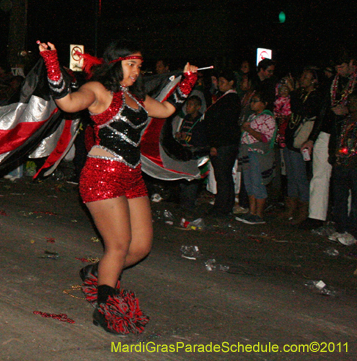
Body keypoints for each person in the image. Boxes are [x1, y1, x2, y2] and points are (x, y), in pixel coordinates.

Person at [38, 40, 197, 335]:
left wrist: (187, 83)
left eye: (139, 66)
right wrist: (51, 63)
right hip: (102, 174)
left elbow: (164, 110)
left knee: (140, 247)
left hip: (133, 177)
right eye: (131, 65)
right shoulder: (99, 90)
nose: (137, 71)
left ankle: (97, 273)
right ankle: (105, 310)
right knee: (119, 246)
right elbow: (67, 103)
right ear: (116, 63)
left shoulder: (134, 97)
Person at [301, 51, 356, 229]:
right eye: (337, 68)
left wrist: (348, 110)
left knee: (346, 178)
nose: (339, 71)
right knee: (319, 174)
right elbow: (323, 111)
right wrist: (311, 138)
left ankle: (345, 219)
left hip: (349, 135)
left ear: (351, 63)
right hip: (328, 131)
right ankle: (316, 215)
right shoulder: (333, 83)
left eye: (342, 66)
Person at [280, 68, 322, 223]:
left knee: (300, 176)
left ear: (314, 81)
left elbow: (301, 110)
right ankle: (290, 208)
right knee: (291, 176)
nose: (302, 79)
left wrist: (292, 91)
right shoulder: (302, 94)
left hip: (300, 140)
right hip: (292, 138)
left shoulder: (315, 96)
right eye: (302, 76)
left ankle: (303, 210)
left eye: (306, 77)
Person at [203, 70, 242, 218]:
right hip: (224, 142)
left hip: (223, 143)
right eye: (218, 82)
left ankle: (222, 207)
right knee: (224, 176)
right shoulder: (224, 98)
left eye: (223, 81)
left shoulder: (230, 99)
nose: (219, 84)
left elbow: (222, 124)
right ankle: (226, 205)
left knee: (222, 176)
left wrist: (215, 144)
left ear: (231, 82)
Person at [236, 90, 277, 224]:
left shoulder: (268, 118)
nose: (252, 103)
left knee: (258, 182)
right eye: (251, 101)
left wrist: (249, 130)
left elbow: (266, 138)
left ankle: (259, 215)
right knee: (248, 183)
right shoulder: (252, 117)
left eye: (255, 101)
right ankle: (251, 212)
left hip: (257, 153)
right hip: (246, 151)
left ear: (264, 103)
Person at [328, 92, 357, 246]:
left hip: (354, 164)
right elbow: (337, 140)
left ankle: (353, 232)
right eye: (350, 101)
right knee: (339, 196)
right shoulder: (345, 121)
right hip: (341, 163)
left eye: (354, 101)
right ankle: (341, 228)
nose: (351, 104)